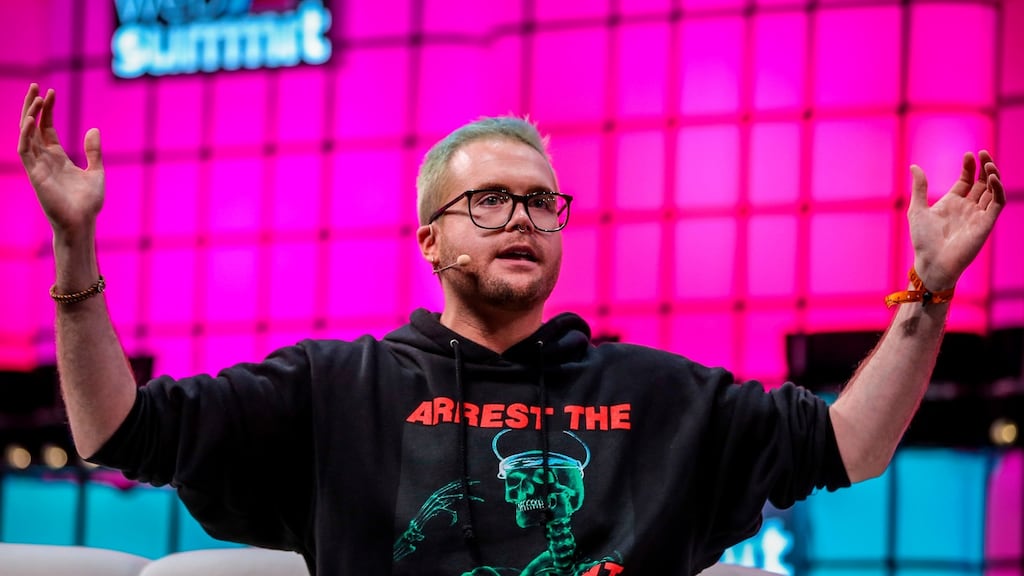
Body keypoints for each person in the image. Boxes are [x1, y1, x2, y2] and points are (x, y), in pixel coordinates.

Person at [17, 81, 1005, 576]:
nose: (522, 218)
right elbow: (122, 433)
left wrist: (925, 293)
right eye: (488, 202)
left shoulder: (658, 394)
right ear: (429, 238)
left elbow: (849, 446)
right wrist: (72, 251)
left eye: (540, 202)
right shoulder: (332, 387)